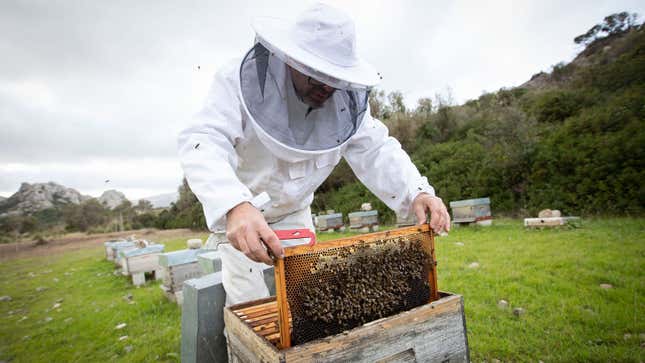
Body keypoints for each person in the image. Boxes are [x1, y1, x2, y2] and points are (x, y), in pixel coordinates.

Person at [178, 3, 450, 305]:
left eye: (333, 76)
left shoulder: (345, 101)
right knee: (248, 307)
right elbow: (203, 140)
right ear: (291, 59)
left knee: (306, 303)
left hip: (295, 215)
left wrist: (417, 192)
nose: (325, 86)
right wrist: (233, 205)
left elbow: (376, 149)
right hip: (243, 216)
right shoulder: (237, 80)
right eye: (314, 73)